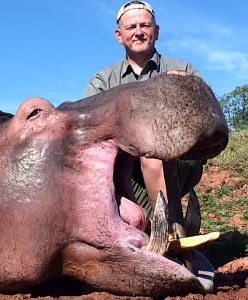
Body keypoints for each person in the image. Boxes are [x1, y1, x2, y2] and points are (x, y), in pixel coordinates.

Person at [84, 1, 214, 292]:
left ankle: (175, 245)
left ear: (157, 31)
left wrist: (187, 90)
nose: (139, 32)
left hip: (176, 164)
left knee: (153, 155)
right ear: (120, 35)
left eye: (145, 26)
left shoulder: (183, 70)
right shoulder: (102, 81)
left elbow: (204, 125)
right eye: (132, 27)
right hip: (124, 174)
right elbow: (90, 132)